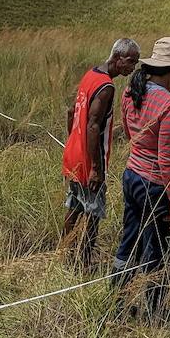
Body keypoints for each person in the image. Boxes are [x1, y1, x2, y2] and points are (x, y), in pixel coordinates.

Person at [112, 36, 170, 318]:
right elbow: (167, 159)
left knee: (130, 239)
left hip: (132, 175)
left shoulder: (130, 92)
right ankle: (155, 310)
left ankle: (118, 300)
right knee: (158, 248)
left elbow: (130, 135)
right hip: (157, 186)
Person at [61, 37, 140, 267]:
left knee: (74, 206)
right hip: (89, 161)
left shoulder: (91, 75)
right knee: (92, 214)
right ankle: (83, 263)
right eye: (130, 61)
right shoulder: (106, 87)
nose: (133, 67)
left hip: (75, 153)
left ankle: (65, 253)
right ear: (117, 57)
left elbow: (71, 112)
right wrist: (96, 167)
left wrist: (72, 141)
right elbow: (93, 126)